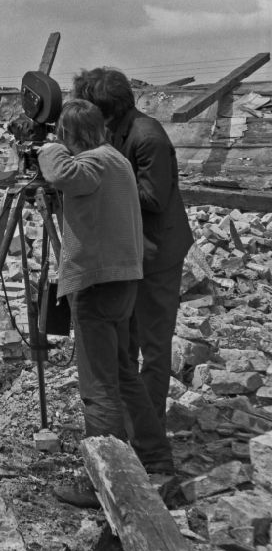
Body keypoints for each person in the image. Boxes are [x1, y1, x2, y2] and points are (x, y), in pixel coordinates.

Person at [38, 99, 174, 506]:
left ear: (70, 135)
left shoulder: (94, 162)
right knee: (123, 373)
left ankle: (107, 479)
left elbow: (62, 172)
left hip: (98, 283)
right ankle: (155, 458)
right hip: (122, 279)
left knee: (97, 387)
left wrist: (47, 148)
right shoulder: (116, 158)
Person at [72, 68, 193, 430]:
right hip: (129, 250)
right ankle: (125, 424)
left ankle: (149, 431)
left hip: (157, 253)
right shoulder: (111, 130)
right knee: (125, 343)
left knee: (153, 347)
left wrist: (100, 184)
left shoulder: (147, 136)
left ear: (105, 111)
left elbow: (154, 198)